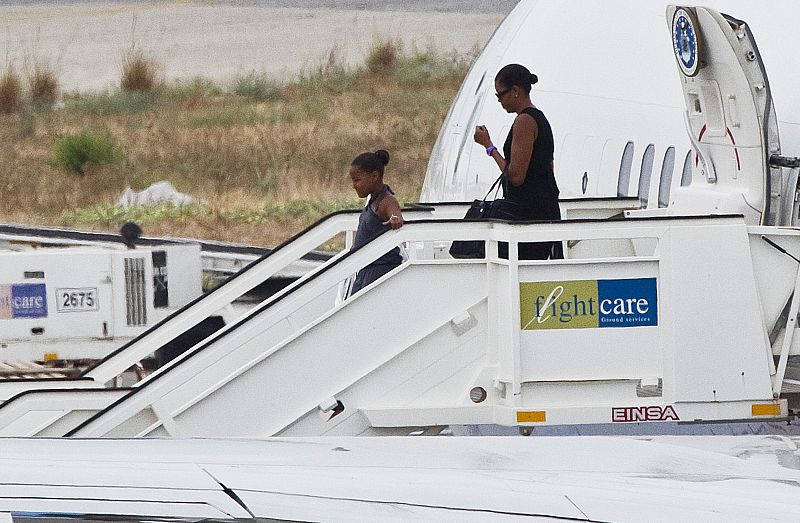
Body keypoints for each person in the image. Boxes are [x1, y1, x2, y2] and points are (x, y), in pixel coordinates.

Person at [473, 63, 562, 260]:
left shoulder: (524, 121)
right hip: (545, 210)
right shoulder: (540, 119)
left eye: (500, 95)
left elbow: (515, 176)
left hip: (528, 215)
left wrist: (489, 146)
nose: (499, 101)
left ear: (515, 91)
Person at [348, 149, 404, 295]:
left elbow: (394, 213)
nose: (354, 185)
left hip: (379, 270)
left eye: (357, 180)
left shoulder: (386, 201)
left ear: (374, 176)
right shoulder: (373, 200)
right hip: (365, 269)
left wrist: (395, 219)